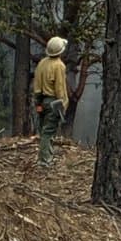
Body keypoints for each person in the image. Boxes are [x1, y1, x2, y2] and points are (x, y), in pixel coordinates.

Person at [32, 37, 68, 168]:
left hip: (41, 100)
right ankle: (45, 161)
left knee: (44, 131)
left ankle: (44, 158)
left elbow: (36, 84)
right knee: (49, 132)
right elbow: (60, 88)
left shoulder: (42, 63)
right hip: (54, 102)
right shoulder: (59, 65)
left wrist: (37, 103)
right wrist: (63, 104)